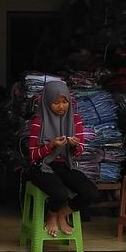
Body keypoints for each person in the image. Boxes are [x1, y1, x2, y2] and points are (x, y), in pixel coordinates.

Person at [25, 80, 98, 236]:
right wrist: (50, 146)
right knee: (59, 194)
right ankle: (51, 215)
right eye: (56, 102)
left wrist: (74, 145)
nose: (61, 106)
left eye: (64, 102)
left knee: (90, 192)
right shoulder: (39, 121)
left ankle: (63, 213)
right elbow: (32, 156)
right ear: (47, 102)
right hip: (41, 167)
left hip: (65, 166)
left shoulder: (75, 119)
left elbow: (78, 153)